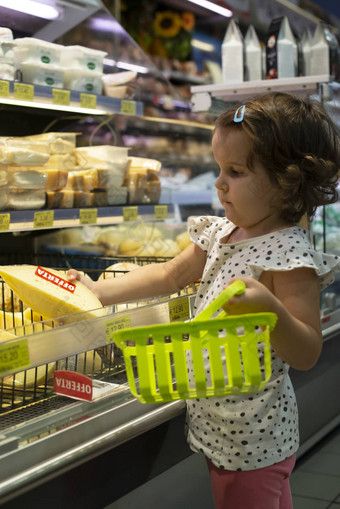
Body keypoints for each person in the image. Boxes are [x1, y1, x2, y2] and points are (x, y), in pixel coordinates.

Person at [68, 91, 340, 508]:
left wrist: (270, 310)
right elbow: (169, 274)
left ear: (287, 182)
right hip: (221, 426)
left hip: (252, 438)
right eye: (218, 168)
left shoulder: (289, 255)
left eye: (235, 171)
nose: (219, 182)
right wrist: (98, 290)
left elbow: (306, 350)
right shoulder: (219, 233)